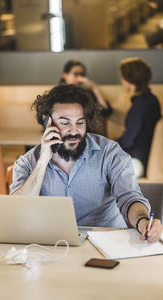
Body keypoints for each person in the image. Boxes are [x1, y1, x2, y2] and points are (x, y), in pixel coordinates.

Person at [10, 84, 162, 243]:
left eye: (80, 122)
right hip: (53, 246)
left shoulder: (109, 153)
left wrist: (142, 221)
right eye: (65, 122)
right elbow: (18, 213)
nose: (74, 131)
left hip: (105, 244)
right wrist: (42, 162)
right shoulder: (27, 162)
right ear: (46, 120)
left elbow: (129, 198)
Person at [117, 57, 161, 178]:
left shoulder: (142, 104)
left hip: (136, 161)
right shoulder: (149, 99)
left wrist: (109, 145)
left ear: (128, 80)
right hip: (139, 158)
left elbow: (130, 139)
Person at [59, 59, 112, 136]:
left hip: (87, 132)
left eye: (82, 75)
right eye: (76, 74)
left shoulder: (86, 93)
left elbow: (106, 111)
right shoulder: (57, 93)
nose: (80, 78)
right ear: (65, 75)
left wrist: (94, 88)